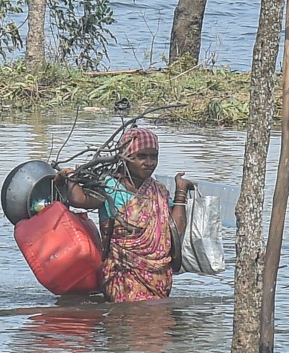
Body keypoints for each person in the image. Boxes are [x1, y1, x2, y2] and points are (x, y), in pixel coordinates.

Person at [53, 127, 193, 303]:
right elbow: (79, 200)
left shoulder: (158, 191)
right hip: (122, 277)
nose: (149, 162)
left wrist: (181, 191)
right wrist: (70, 175)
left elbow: (175, 232)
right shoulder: (110, 187)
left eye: (153, 156)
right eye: (141, 156)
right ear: (125, 157)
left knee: (156, 327)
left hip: (159, 278)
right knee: (127, 324)